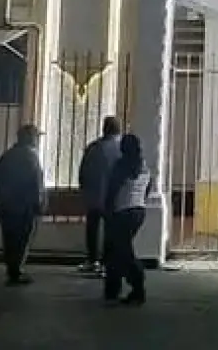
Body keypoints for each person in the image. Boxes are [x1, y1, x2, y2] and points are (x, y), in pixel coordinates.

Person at [0, 124, 46, 286]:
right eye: (36, 137)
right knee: (22, 238)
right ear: (30, 138)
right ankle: (17, 270)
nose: (37, 140)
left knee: (9, 237)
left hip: (6, 204)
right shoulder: (30, 156)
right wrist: (39, 202)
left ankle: (12, 269)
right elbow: (36, 182)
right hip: (24, 205)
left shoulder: (8, 155)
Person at [102, 134, 152, 305]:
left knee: (121, 252)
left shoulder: (121, 165)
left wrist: (107, 210)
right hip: (138, 211)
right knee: (119, 249)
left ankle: (136, 285)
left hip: (121, 212)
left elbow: (112, 190)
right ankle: (114, 288)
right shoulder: (144, 166)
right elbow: (147, 189)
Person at [77, 115, 123, 275]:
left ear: (104, 129)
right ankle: (106, 264)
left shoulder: (93, 148)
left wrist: (85, 191)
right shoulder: (121, 149)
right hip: (114, 197)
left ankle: (92, 260)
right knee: (111, 231)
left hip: (94, 197)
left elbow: (82, 173)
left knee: (92, 229)